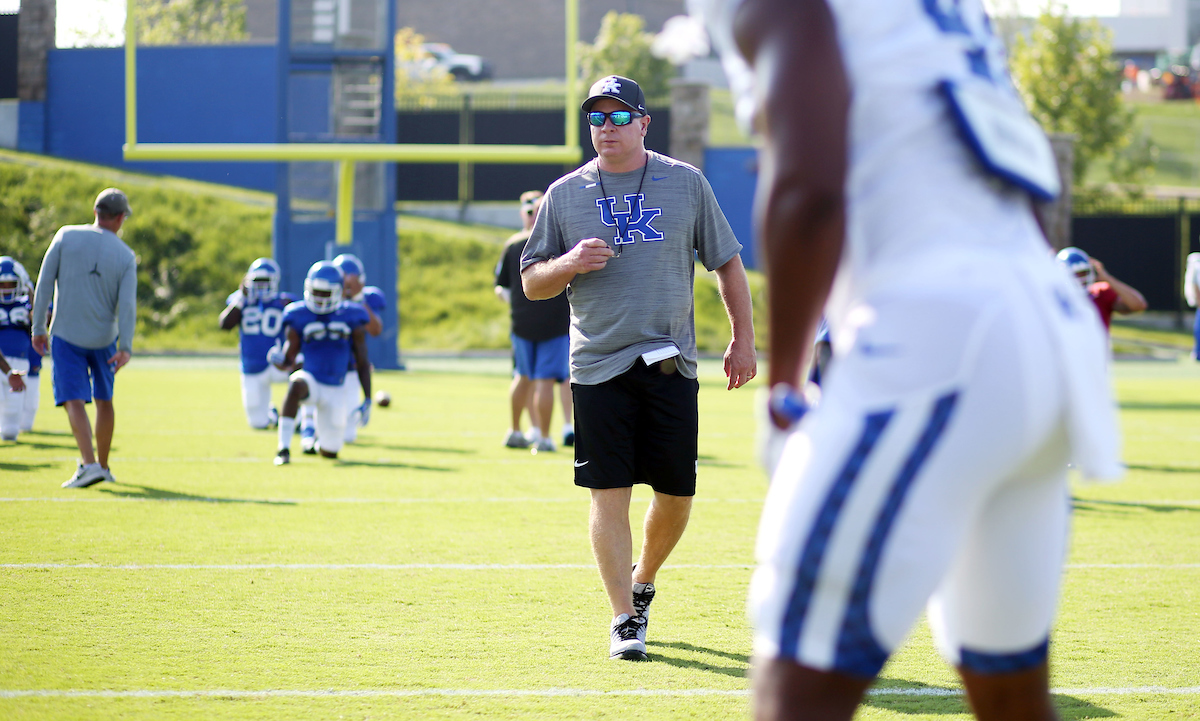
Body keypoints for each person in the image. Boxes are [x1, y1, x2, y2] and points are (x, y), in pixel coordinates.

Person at [696, 1, 1124, 719]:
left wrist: (783, 387)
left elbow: (808, 183)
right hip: (1044, 324)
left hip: (940, 339)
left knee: (795, 688)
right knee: (1012, 694)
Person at [521, 74, 757, 661]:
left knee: (677, 493)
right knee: (608, 492)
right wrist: (571, 261)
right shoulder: (565, 193)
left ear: (644, 123)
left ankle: (643, 578)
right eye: (597, 118)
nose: (606, 127)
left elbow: (726, 263)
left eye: (620, 117)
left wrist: (743, 339)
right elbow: (532, 283)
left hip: (669, 361)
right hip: (597, 363)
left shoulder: (685, 183)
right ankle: (624, 619)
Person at [31, 188, 138, 489]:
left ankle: (89, 464)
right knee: (104, 400)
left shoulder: (66, 236)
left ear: (95, 212)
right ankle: (102, 467)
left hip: (66, 334)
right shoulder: (126, 255)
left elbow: (44, 282)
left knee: (73, 398)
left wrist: (38, 326)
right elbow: (127, 305)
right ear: (119, 218)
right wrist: (126, 346)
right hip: (104, 339)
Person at [495, 189, 574, 453]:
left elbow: (502, 290)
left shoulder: (514, 244)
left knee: (522, 376)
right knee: (543, 380)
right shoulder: (562, 244)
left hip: (522, 323)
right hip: (553, 324)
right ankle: (542, 436)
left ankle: (515, 430)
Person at [271, 260, 371, 466]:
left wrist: (368, 397)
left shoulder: (352, 316)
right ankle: (283, 448)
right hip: (312, 381)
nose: (319, 298)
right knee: (295, 384)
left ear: (339, 292)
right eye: (316, 292)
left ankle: (318, 440)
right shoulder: (298, 315)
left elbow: (362, 361)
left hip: (336, 388)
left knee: (330, 452)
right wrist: (279, 361)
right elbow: (290, 360)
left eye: (326, 293)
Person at [297, 253, 381, 452]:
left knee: (348, 436)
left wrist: (358, 298)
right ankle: (307, 426)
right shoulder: (319, 298)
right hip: (319, 366)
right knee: (305, 379)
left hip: (348, 370)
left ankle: (320, 435)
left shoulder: (361, 305)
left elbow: (375, 330)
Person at [219, 258, 298, 429]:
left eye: (265, 281)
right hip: (252, 366)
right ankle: (272, 415)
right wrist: (241, 299)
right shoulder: (240, 300)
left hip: (279, 363)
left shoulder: (286, 302)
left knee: (302, 371)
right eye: (257, 281)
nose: (261, 286)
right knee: (257, 423)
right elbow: (224, 325)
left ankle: (305, 417)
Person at [1056, 247, 1148, 330]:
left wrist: (1107, 279)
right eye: (1075, 274)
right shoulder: (1054, 299)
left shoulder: (1099, 293)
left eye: (1083, 272)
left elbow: (1138, 305)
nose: (1081, 278)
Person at [0, 257, 31, 440]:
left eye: (11, 283)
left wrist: (33, 295)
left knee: (11, 432)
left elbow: (42, 321)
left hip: (20, 360)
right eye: (2, 284)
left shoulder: (25, 305)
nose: (6, 288)